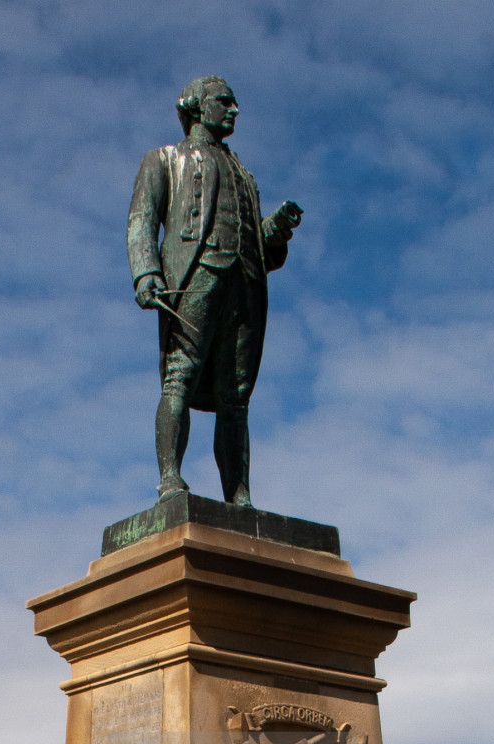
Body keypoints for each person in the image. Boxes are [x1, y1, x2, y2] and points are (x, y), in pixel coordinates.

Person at [127, 76, 303, 505]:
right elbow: (142, 219)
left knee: (236, 396)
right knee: (179, 379)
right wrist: (146, 273)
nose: (234, 110)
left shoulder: (244, 172)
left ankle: (238, 496)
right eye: (224, 102)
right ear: (196, 107)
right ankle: (170, 479)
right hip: (194, 275)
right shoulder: (164, 159)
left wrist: (274, 232)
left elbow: (254, 239)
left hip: (243, 281)